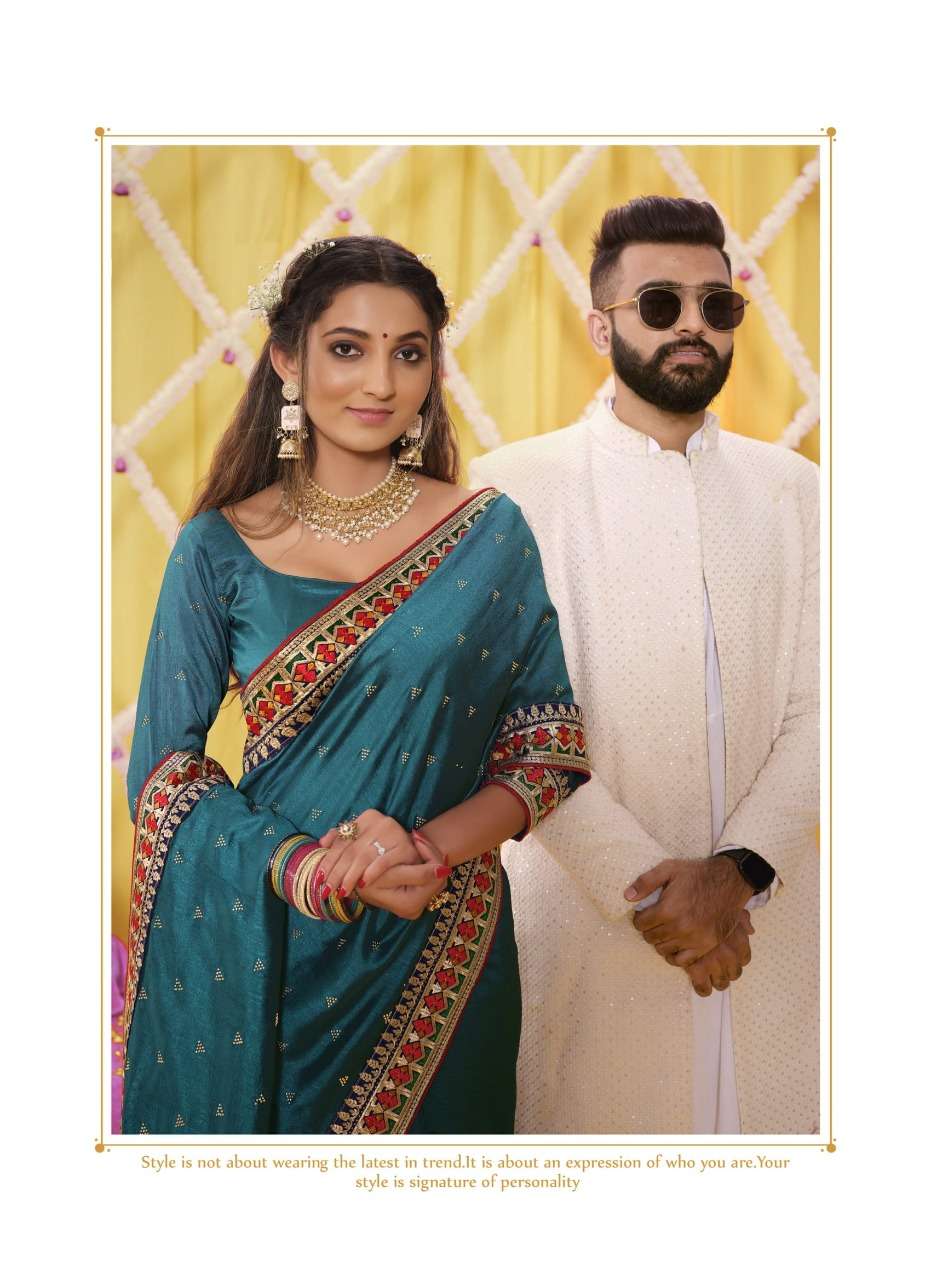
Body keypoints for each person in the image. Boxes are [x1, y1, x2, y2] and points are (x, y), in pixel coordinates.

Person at [121, 235, 590, 1136]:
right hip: (268, 945)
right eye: (347, 348)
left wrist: (423, 849)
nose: (380, 382)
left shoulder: (487, 534)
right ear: (286, 358)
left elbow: (545, 750)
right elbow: (161, 774)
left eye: (407, 353)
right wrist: (302, 866)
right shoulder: (219, 545)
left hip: (440, 954)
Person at [470, 197, 819, 1134]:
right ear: (601, 327)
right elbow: (505, 723)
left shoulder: (796, 492)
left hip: (770, 926)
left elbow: (829, 706)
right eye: (660, 304)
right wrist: (650, 892)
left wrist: (739, 871)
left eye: (717, 304)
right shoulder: (509, 491)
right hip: (589, 926)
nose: (692, 325)